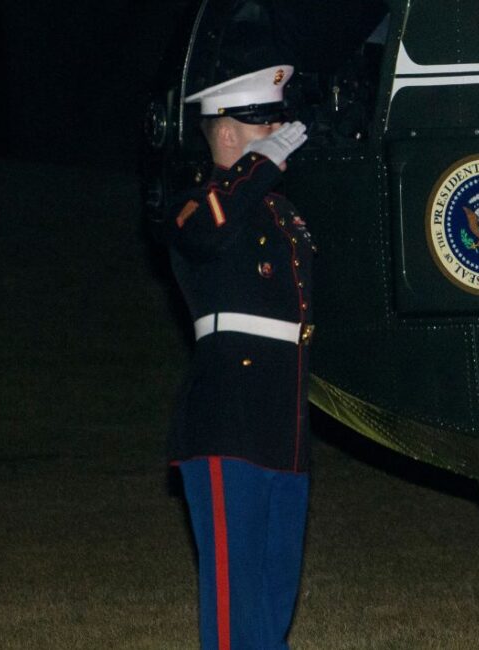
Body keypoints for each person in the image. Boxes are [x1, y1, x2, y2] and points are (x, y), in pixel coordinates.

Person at [149, 64, 314, 650]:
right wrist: (257, 165)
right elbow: (210, 232)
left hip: (282, 422)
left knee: (274, 591)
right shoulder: (194, 206)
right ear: (225, 135)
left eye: (278, 122)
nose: (277, 132)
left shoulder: (282, 215)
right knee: (232, 592)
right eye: (263, 124)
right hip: (227, 417)